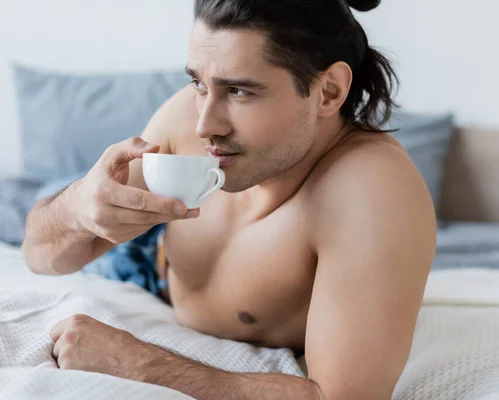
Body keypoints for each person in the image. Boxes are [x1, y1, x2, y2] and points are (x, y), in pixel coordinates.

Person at [21, 0, 436, 398]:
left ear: (328, 92)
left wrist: (137, 364)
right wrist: (77, 209)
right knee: (47, 198)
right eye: (199, 83)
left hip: (165, 265)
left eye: (239, 91)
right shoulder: (186, 114)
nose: (204, 125)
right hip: (147, 255)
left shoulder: (370, 191)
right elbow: (37, 253)